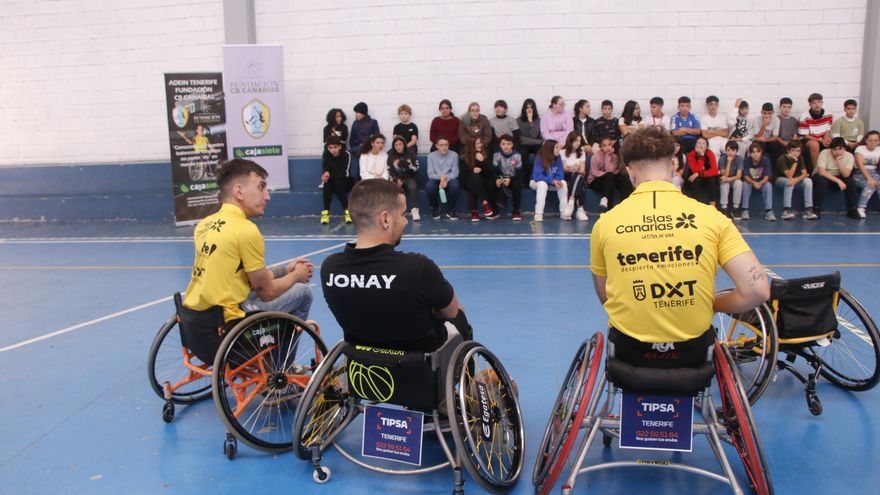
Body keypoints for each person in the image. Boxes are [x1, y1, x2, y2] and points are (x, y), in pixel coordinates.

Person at [590, 126, 769, 358]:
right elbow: (758, 289)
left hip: (629, 351)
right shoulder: (712, 218)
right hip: (693, 353)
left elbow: (605, 295)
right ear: (673, 165)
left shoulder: (606, 223)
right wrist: (713, 303)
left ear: (630, 171)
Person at [321, 179, 472, 352]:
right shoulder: (418, 268)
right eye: (403, 214)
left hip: (360, 363)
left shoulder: (330, 268)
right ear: (385, 219)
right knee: (459, 313)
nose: (405, 221)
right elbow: (451, 312)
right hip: (417, 365)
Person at [183, 158, 314, 350]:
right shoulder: (245, 230)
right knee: (303, 292)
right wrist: (296, 276)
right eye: (261, 187)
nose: (267, 196)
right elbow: (267, 292)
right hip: (230, 325)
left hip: (197, 324)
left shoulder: (204, 225)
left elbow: (246, 277)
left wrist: (286, 270)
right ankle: (281, 362)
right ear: (239, 191)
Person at [812, 137, 858, 219]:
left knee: (850, 181)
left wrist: (839, 162)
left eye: (840, 149)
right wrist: (838, 181)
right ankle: (816, 209)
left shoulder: (849, 156)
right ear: (831, 149)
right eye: (834, 149)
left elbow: (846, 175)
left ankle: (852, 210)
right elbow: (821, 172)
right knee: (822, 181)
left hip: (839, 175)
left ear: (844, 149)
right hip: (824, 175)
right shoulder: (824, 152)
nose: (837, 152)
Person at [774, 140, 817, 220]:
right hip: (779, 180)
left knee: (808, 181)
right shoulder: (782, 158)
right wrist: (795, 162)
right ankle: (786, 210)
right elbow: (789, 175)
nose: (795, 153)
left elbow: (804, 173)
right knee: (789, 182)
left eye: (798, 151)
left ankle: (808, 210)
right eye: (793, 150)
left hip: (794, 179)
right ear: (788, 151)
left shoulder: (800, 157)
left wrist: (796, 180)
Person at [587, 136, 632, 210]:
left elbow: (610, 170)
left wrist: (608, 156)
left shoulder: (614, 156)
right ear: (600, 147)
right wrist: (606, 174)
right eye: (604, 146)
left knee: (625, 179)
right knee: (609, 176)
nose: (607, 147)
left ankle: (624, 205)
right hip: (595, 181)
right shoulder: (595, 156)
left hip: (609, 179)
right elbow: (595, 172)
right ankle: (606, 202)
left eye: (609, 145)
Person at [530, 139, 569, 222]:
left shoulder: (558, 157)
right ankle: (538, 214)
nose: (559, 149)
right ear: (550, 149)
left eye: (559, 147)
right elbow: (537, 176)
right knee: (543, 184)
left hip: (552, 182)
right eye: (556, 147)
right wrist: (552, 181)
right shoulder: (539, 158)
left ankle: (564, 212)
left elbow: (560, 173)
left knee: (563, 183)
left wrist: (557, 181)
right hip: (536, 182)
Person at [462, 138, 498, 221]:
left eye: (480, 143)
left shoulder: (485, 154)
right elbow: (463, 176)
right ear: (471, 146)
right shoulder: (464, 157)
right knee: (474, 177)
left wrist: (482, 161)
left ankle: (474, 211)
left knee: (476, 180)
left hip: (483, 181)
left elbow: (490, 173)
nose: (480, 145)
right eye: (477, 144)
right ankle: (485, 203)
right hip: (469, 182)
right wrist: (472, 170)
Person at [425, 136, 460, 220]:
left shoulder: (454, 155)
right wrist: (441, 177)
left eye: (446, 145)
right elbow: (430, 174)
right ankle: (435, 207)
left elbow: (455, 172)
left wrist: (446, 178)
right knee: (429, 186)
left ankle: (450, 209)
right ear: (436, 146)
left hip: (449, 179)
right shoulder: (431, 156)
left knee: (455, 185)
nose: (444, 147)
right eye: (441, 145)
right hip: (436, 179)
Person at [320, 136, 352, 225]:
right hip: (332, 181)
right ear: (327, 148)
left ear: (340, 146)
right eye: (330, 148)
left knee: (338, 183)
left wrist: (330, 176)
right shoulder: (326, 155)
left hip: (345, 181)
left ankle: (347, 211)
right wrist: (325, 174)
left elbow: (345, 173)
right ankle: (326, 212)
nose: (333, 150)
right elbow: (326, 168)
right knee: (327, 184)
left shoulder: (346, 155)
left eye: (335, 147)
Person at [387, 135, 420, 221]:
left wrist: (409, 164)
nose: (398, 147)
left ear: (404, 145)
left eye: (400, 144)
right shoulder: (390, 156)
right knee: (392, 188)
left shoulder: (410, 153)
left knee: (412, 186)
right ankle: (395, 212)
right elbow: (389, 172)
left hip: (408, 178)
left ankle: (415, 210)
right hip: (396, 179)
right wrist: (396, 179)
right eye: (396, 145)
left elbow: (416, 169)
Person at [798, 93, 833, 174]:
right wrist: (821, 141)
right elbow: (805, 136)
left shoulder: (829, 114)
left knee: (832, 142)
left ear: (822, 103)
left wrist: (826, 139)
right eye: (814, 103)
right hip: (808, 139)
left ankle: (830, 170)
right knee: (814, 144)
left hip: (822, 138)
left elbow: (827, 131)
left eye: (819, 102)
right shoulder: (804, 116)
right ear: (810, 105)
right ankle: (816, 170)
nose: (817, 105)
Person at [740, 143, 775, 221]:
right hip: (750, 182)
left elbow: (767, 177)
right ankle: (745, 210)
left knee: (768, 185)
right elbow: (746, 176)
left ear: (761, 152)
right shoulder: (746, 160)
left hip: (762, 182)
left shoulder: (765, 160)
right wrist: (754, 183)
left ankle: (768, 211)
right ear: (750, 153)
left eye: (757, 152)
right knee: (745, 184)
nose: (755, 154)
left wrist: (760, 183)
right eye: (753, 152)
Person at [492, 134, 524, 220]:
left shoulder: (517, 155)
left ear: (512, 145)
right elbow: (494, 171)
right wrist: (497, 179)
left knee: (517, 185)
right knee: (491, 184)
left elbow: (519, 173)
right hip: (501, 177)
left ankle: (516, 210)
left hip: (513, 177)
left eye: (508, 144)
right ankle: (495, 210)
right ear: (500, 145)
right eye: (503, 144)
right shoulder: (497, 155)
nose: (506, 146)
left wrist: (510, 179)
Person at [561, 131, 589, 221]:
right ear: (570, 140)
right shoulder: (562, 152)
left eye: (580, 141)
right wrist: (571, 169)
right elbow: (564, 169)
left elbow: (583, 171)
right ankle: (580, 209)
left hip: (578, 175)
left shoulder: (581, 152)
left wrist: (576, 170)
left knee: (579, 177)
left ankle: (571, 202)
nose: (579, 143)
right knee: (581, 184)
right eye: (576, 140)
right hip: (567, 176)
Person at [349, 102, 381, 179]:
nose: (356, 114)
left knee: (369, 173)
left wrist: (367, 146)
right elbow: (351, 140)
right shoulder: (355, 123)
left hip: (369, 151)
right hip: (356, 151)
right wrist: (355, 148)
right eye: (355, 112)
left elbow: (377, 138)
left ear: (363, 112)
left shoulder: (373, 122)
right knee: (354, 173)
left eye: (358, 112)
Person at [685, 136, 719, 206]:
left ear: (707, 147)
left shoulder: (710, 154)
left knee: (712, 179)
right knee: (696, 180)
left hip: (705, 177)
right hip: (693, 177)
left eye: (703, 143)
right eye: (698, 143)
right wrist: (701, 157)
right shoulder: (691, 154)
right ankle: (694, 204)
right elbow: (695, 170)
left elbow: (715, 171)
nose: (700, 145)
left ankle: (712, 205)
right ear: (695, 145)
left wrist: (699, 174)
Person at [854, 130, 880, 219]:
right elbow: (860, 165)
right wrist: (869, 178)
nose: (873, 143)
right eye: (870, 140)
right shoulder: (860, 149)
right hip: (859, 174)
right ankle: (861, 207)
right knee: (870, 185)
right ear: (866, 140)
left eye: (876, 140)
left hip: (875, 173)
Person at [517, 98, 543, 178]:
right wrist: (539, 141)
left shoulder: (538, 120)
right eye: (527, 107)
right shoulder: (518, 120)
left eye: (531, 107)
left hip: (536, 145)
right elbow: (521, 139)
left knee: (541, 154)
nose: (529, 109)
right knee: (522, 155)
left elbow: (534, 135)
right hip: (524, 145)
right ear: (524, 109)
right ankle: (528, 177)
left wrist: (530, 121)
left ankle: (538, 176)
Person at [718, 141, 744, 218]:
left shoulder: (740, 159)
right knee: (724, 184)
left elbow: (738, 176)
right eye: (728, 150)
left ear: (736, 151)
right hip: (724, 178)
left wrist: (728, 179)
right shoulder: (722, 159)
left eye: (733, 150)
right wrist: (729, 163)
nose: (730, 153)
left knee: (739, 183)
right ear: (725, 150)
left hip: (733, 179)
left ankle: (735, 208)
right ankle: (724, 208)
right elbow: (724, 175)